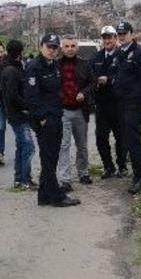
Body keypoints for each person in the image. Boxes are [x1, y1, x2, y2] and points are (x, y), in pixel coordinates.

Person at [23, 34, 81, 207]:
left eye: (55, 47)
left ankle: (44, 194)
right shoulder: (34, 67)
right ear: (41, 46)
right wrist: (41, 118)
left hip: (56, 116)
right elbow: (31, 97)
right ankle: (56, 196)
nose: (52, 50)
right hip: (45, 120)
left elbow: (57, 91)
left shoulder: (54, 65)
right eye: (49, 47)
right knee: (48, 158)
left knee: (51, 157)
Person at [113, 21, 141, 194]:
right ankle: (130, 169)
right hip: (121, 102)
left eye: (124, 33)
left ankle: (140, 176)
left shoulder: (140, 53)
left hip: (134, 102)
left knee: (133, 139)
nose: (121, 36)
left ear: (131, 34)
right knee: (124, 138)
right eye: (119, 34)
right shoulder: (119, 53)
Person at [56, 34, 96, 192]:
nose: (70, 49)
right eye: (67, 46)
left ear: (77, 47)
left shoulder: (85, 65)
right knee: (64, 145)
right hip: (63, 111)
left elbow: (93, 82)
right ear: (62, 48)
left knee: (82, 146)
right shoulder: (55, 65)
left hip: (80, 110)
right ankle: (65, 179)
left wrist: (84, 93)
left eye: (73, 46)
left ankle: (83, 173)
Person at [0, 39, 37, 190]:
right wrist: (27, 106)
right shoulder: (11, 71)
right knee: (29, 146)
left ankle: (19, 179)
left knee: (21, 146)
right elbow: (12, 96)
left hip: (17, 114)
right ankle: (25, 179)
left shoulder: (12, 67)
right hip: (18, 115)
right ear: (19, 52)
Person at [90, 25, 127, 179]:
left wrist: (109, 79)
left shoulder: (123, 56)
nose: (107, 40)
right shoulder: (96, 58)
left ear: (115, 38)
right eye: (104, 37)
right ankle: (108, 166)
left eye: (110, 37)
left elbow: (125, 77)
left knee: (121, 138)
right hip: (102, 104)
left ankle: (122, 166)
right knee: (100, 137)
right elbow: (90, 77)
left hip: (118, 103)